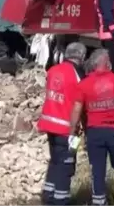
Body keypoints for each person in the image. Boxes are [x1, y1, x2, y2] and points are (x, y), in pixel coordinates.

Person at [68, 49, 114, 206]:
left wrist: (72, 133)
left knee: (97, 170)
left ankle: (99, 201)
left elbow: (76, 110)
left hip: (95, 133)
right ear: (107, 63)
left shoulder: (84, 84)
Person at [37, 42, 88, 206]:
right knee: (66, 165)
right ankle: (61, 200)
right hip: (68, 129)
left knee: (55, 160)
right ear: (81, 57)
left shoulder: (53, 70)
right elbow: (81, 103)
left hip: (49, 124)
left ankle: (48, 195)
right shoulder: (78, 75)